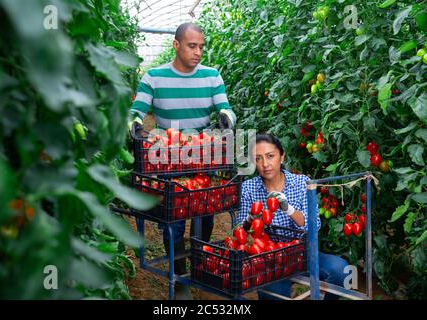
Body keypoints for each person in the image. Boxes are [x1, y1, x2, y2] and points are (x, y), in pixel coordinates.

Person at [128, 22, 237, 300]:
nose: (198, 52)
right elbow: (137, 111)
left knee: (205, 211)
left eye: (201, 46)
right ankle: (179, 277)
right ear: (176, 45)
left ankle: (199, 265)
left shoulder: (212, 76)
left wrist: (226, 119)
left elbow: (225, 107)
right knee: (174, 217)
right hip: (169, 156)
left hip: (202, 154)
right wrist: (136, 126)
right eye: (192, 46)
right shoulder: (154, 77)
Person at [238, 134, 349, 300]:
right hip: (270, 259)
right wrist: (250, 219)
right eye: (258, 159)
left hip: (303, 253)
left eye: (270, 156)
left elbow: (314, 225)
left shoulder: (302, 182)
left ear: (282, 156)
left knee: (341, 271)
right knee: (275, 296)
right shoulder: (249, 188)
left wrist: (288, 209)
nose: (265, 164)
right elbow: (242, 233)